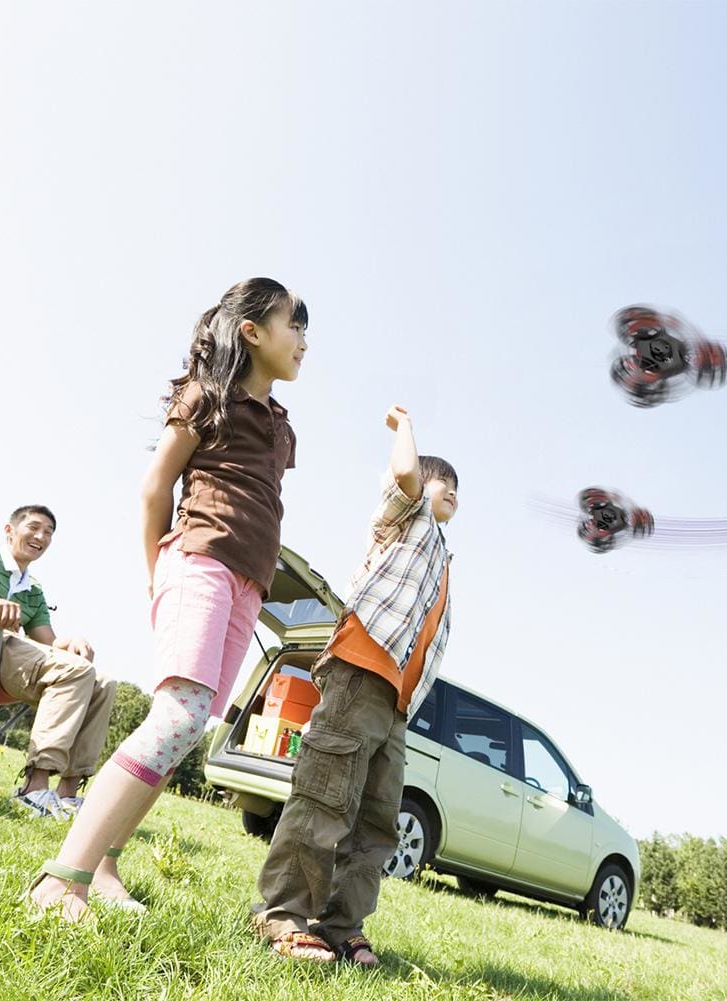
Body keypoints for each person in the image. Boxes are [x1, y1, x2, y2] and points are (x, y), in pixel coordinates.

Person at [28, 277, 308, 921]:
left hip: (247, 582)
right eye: (294, 324)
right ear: (251, 331)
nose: (303, 341)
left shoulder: (282, 427)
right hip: (197, 560)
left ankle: (102, 867)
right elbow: (157, 486)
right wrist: (158, 567)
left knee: (185, 730)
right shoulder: (206, 396)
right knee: (176, 716)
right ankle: (60, 878)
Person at [252, 405, 458, 967]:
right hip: (359, 671)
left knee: (376, 820)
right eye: (448, 485)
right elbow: (407, 476)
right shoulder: (408, 521)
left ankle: (341, 923)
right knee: (325, 796)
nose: (454, 497)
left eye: (459, 494)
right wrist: (408, 428)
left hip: (394, 704)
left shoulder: (445, 560)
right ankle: (283, 915)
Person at [0, 505, 116, 822]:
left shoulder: (33, 590)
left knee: (103, 682)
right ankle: (34, 787)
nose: (41, 536)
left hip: (9, 660)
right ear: (10, 531)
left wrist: (69, 642)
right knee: (74, 670)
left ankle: (68, 793)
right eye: (34, 527)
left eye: (48, 532)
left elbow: (47, 641)